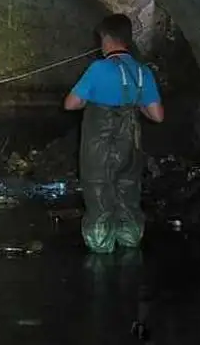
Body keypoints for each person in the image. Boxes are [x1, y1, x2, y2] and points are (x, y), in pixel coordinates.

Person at [64, 14, 164, 254]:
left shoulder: (98, 69)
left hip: (99, 144)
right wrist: (135, 102)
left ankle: (100, 249)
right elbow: (157, 116)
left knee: (99, 191)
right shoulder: (142, 72)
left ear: (105, 39)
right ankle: (130, 241)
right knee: (128, 190)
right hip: (131, 143)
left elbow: (71, 104)